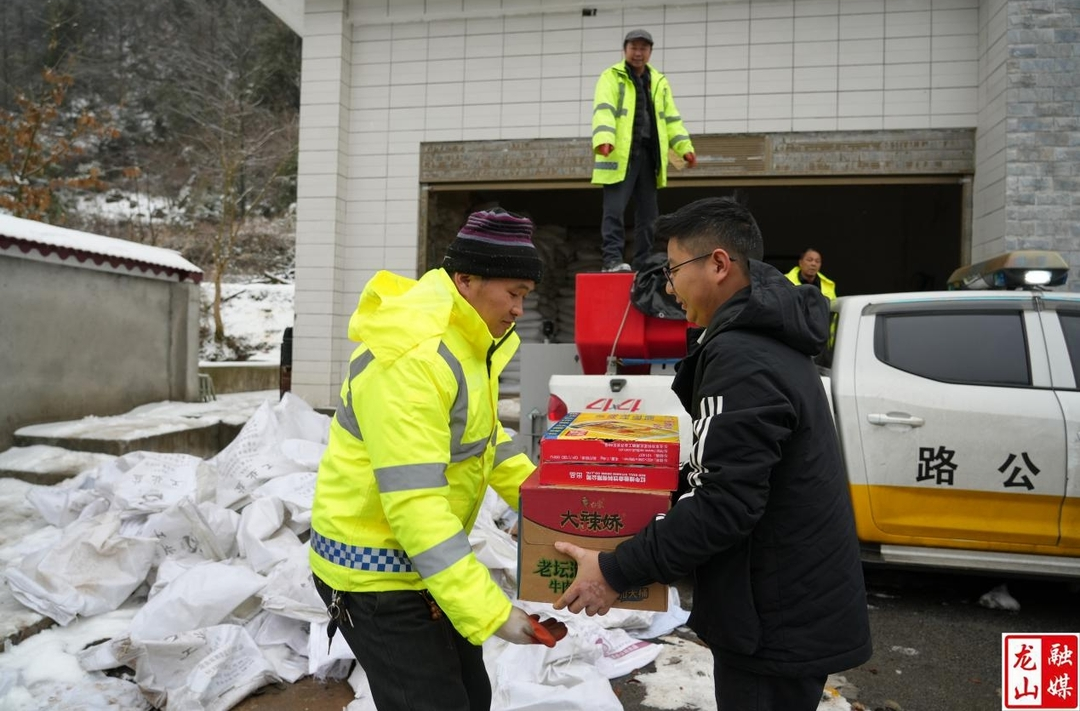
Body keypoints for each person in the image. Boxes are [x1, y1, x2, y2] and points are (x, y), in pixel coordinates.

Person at [553, 197, 872, 711]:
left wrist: (615, 570)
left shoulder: (742, 356)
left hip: (774, 621)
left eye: (674, 269)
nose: (669, 286)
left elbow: (725, 503)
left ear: (719, 264)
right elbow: (728, 475)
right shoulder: (764, 340)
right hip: (783, 605)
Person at [309, 208, 567, 711]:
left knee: (472, 696)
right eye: (512, 293)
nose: (518, 309)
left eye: (525, 297)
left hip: (422, 567)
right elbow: (416, 504)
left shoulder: (470, 344)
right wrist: (493, 614)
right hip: (375, 579)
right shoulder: (414, 357)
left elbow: (489, 444)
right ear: (465, 279)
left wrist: (556, 510)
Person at [592, 28, 696, 274]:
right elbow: (603, 109)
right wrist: (604, 139)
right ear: (625, 50)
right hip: (620, 155)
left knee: (649, 215)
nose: (638, 53)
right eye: (634, 48)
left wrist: (685, 149)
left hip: (650, 156)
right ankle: (612, 260)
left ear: (650, 52)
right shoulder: (612, 76)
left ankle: (643, 261)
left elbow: (671, 118)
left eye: (643, 48)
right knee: (614, 210)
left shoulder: (658, 81)